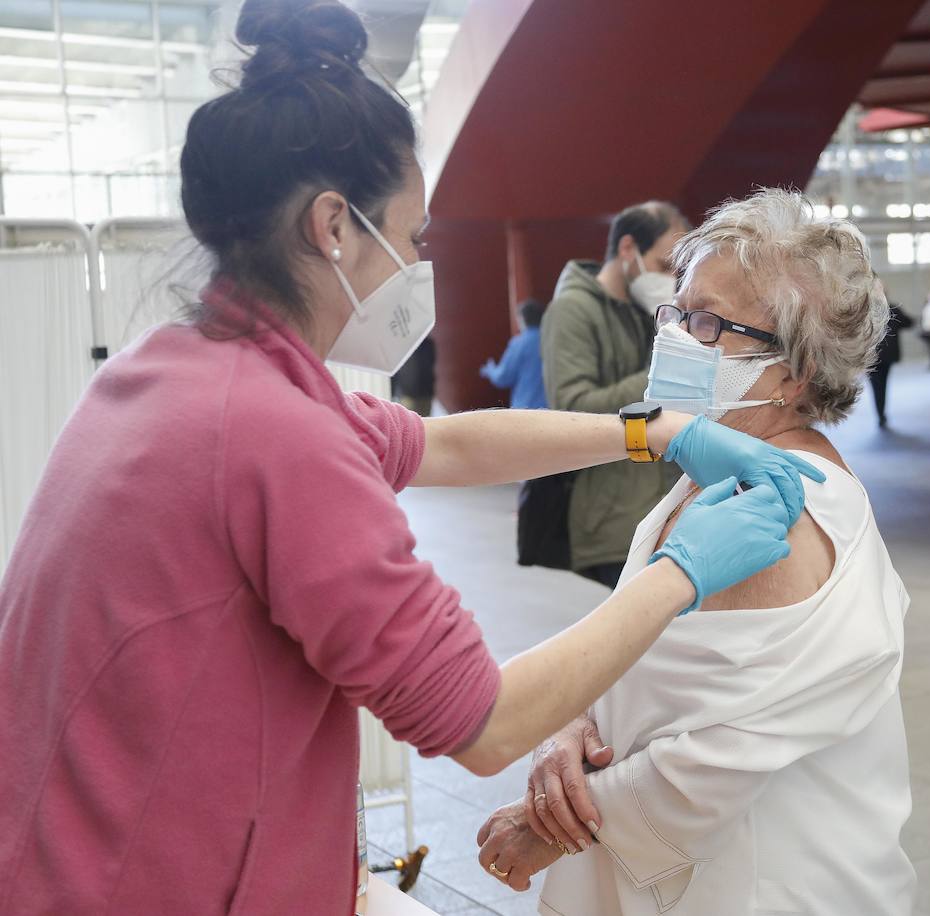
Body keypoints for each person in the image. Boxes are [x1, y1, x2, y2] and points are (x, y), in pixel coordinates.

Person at [0, 5, 825, 913]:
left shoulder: (179, 374)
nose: (420, 262)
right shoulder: (275, 437)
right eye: (415, 236)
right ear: (333, 227)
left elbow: (439, 441)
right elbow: (480, 722)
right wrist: (680, 574)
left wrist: (651, 432)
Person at [474, 190, 918, 915]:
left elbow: (719, 758)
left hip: (757, 883)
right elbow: (637, 652)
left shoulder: (782, 508)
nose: (677, 338)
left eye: (709, 323)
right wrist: (570, 722)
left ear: (794, 372)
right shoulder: (711, 467)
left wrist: (550, 827)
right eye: (675, 313)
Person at [541, 201, 688, 587]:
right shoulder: (572, 309)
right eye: (662, 265)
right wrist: (663, 372)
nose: (671, 279)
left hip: (658, 506)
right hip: (614, 517)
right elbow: (573, 408)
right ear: (628, 250)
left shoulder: (647, 310)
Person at [482, 298, 549, 409]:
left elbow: (503, 377)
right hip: (551, 410)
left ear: (522, 319)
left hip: (524, 409)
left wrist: (490, 370)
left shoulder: (519, 343)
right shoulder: (552, 341)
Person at [868, 285, 915, 428]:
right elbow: (909, 323)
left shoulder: (865, 312)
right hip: (887, 355)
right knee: (883, 384)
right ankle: (882, 413)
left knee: (876, 386)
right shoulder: (893, 309)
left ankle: (880, 413)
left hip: (870, 356)